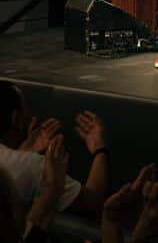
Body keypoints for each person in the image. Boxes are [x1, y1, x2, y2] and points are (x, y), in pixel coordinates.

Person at [0, 80, 109, 219]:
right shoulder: (31, 165)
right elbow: (93, 205)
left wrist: (22, 154)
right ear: (16, 119)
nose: (30, 117)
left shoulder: (23, 162)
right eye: (25, 110)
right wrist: (100, 149)